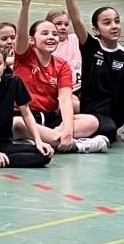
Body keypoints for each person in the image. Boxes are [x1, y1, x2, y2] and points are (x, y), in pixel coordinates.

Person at [53, 0, 124, 145]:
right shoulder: (91, 46)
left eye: (117, 21)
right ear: (96, 29)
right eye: (107, 23)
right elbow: (76, 19)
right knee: (108, 130)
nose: (114, 26)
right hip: (93, 110)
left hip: (116, 110)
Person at [14, 18, 107, 153]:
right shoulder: (24, 58)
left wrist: (68, 131)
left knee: (92, 121)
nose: (51, 37)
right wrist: (25, 5)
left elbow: (65, 100)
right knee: (17, 124)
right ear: (32, 40)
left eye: (54, 34)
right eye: (45, 33)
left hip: (49, 119)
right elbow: (21, 35)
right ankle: (77, 146)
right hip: (24, 117)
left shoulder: (61, 65)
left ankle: (43, 139)